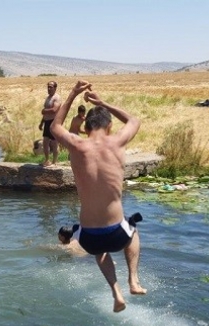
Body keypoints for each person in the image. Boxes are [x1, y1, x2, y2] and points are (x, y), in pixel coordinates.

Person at [50, 81, 146, 313]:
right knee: (132, 230)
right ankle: (133, 280)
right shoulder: (117, 142)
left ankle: (116, 292)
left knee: (100, 253)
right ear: (110, 126)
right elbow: (134, 121)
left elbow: (55, 126)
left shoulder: (77, 145)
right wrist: (102, 102)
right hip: (118, 234)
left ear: (85, 129)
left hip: (89, 238)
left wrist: (73, 93)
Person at [38, 81, 62, 167]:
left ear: (55, 88)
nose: (49, 88)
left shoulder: (57, 98)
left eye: (51, 87)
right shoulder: (47, 98)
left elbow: (54, 110)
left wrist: (44, 111)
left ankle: (54, 161)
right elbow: (45, 112)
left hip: (53, 122)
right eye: (48, 87)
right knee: (45, 142)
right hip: (47, 122)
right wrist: (41, 123)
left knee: (54, 143)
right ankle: (47, 160)